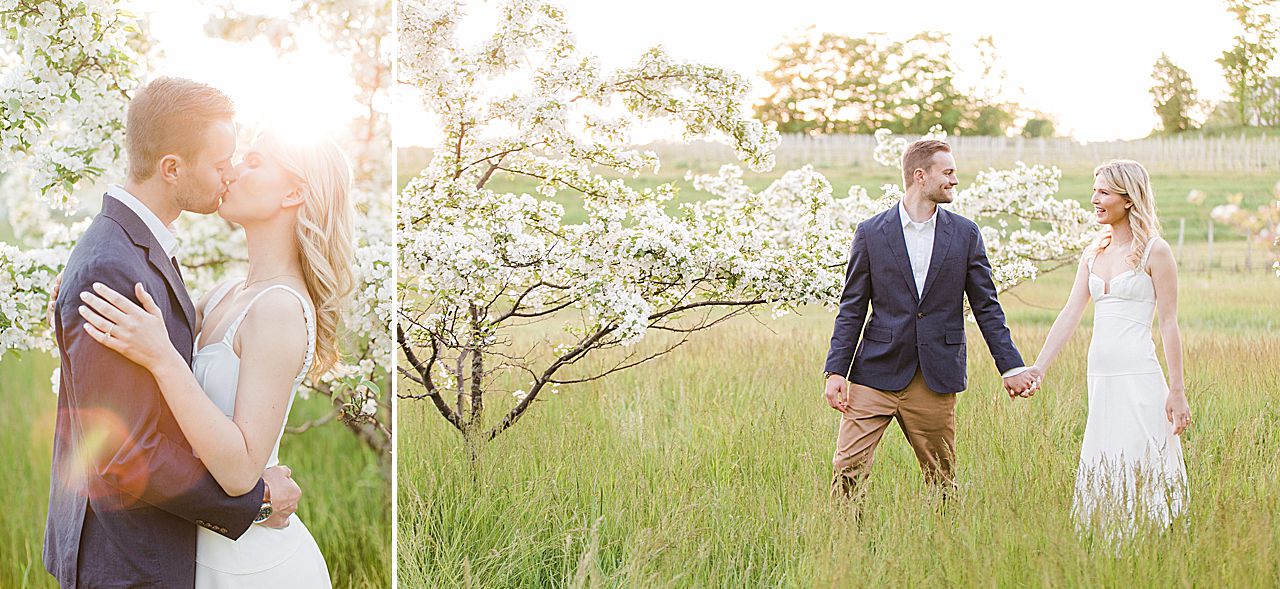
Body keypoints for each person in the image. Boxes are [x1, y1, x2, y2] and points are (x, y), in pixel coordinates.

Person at [44, 76, 302, 589]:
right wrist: (257, 501)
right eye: (220, 163)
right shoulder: (113, 267)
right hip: (127, 560)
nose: (228, 175)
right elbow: (122, 451)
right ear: (171, 168)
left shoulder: (132, 249)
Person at [822, 138, 1038, 501]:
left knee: (941, 480)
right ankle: (845, 545)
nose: (955, 180)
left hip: (935, 377)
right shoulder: (871, 232)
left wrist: (1011, 367)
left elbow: (986, 306)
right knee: (847, 471)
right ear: (920, 176)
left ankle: (944, 544)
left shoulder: (966, 234)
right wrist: (835, 371)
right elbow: (852, 308)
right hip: (874, 373)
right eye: (948, 172)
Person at [1027, 159, 1189, 537]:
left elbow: (1169, 323)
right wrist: (1039, 368)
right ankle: (1107, 540)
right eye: (1094, 190)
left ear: (1128, 199)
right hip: (1099, 376)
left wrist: (1177, 390)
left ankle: (1155, 537)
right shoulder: (1092, 253)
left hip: (1139, 374)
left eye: (1103, 192)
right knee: (1105, 454)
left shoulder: (1156, 251)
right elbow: (1070, 314)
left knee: (1142, 453)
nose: (1094, 198)